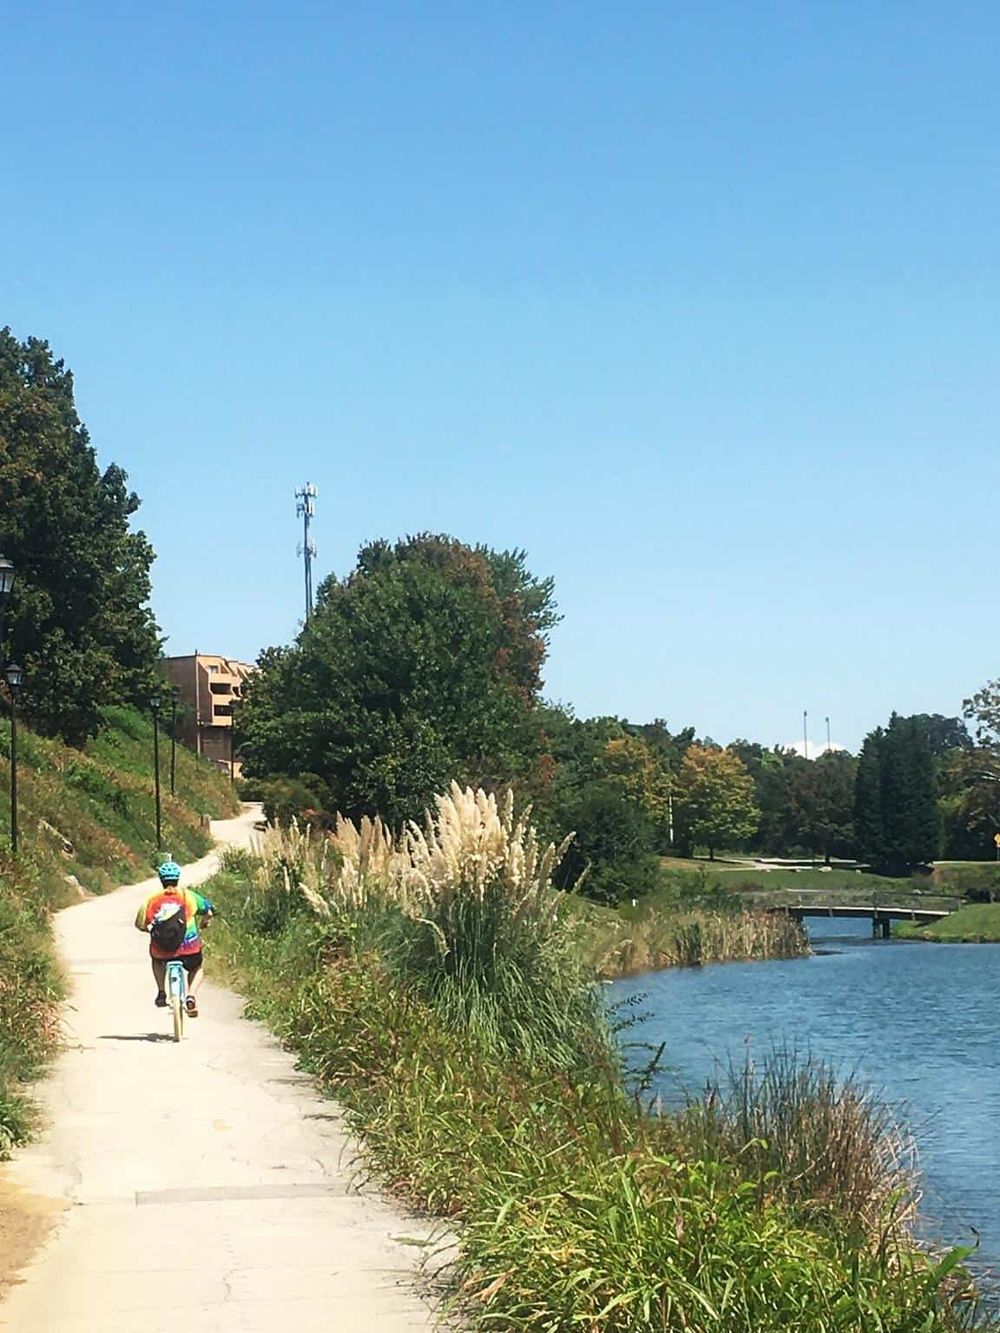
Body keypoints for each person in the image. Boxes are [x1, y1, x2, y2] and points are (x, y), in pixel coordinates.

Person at [134, 860, 214, 1017]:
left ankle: (161, 992)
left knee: (157, 960)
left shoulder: (152, 899)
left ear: (161, 880)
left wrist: (148, 929)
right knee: (196, 968)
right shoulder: (188, 896)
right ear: (178, 878)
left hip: (162, 948)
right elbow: (209, 911)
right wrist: (205, 922)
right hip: (189, 946)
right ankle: (191, 996)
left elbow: (140, 923)